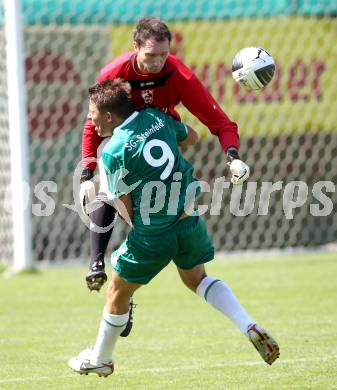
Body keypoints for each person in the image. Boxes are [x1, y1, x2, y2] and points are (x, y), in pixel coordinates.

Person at [69, 79, 279, 377]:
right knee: (197, 279)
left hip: (155, 233)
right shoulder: (155, 117)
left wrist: (136, 226)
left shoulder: (112, 151)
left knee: (117, 290)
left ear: (108, 116)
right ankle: (247, 323)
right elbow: (191, 136)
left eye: (92, 113)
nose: (89, 120)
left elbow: (124, 206)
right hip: (189, 219)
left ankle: (101, 358)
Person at [81, 16, 249, 296]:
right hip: (126, 144)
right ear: (134, 46)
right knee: (110, 193)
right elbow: (94, 120)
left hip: (164, 132)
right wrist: (87, 169)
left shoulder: (178, 74)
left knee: (129, 202)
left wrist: (233, 156)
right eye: (150, 55)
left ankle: (119, 272)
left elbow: (221, 123)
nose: (158, 62)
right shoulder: (114, 72)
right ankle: (97, 263)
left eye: (164, 54)